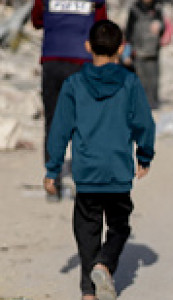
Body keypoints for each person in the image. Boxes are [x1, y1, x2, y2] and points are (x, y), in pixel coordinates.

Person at [44, 19, 156, 300]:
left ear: (87, 47)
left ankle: (88, 290)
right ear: (121, 48)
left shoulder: (74, 84)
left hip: (87, 172)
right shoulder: (130, 82)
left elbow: (59, 130)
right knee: (119, 226)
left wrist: (52, 169)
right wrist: (144, 156)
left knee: (87, 227)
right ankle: (105, 266)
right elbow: (144, 122)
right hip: (118, 171)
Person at [30, 0, 107, 173]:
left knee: (52, 122)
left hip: (52, 61)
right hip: (82, 63)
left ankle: (53, 181)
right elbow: (101, 26)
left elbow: (36, 20)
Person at [124, 0, 168, 108]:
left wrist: (160, 26)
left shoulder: (157, 8)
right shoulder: (134, 9)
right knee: (140, 78)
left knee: (153, 79)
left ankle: (153, 103)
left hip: (153, 51)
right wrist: (127, 52)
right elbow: (128, 32)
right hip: (138, 51)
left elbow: (163, 28)